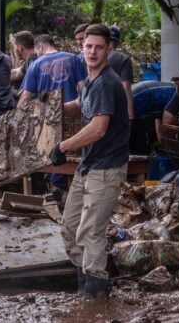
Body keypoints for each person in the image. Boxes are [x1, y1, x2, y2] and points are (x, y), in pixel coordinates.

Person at [48, 24, 130, 299]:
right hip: (88, 165)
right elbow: (79, 105)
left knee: (90, 231)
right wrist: (49, 107)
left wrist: (63, 146)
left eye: (98, 47)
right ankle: (85, 283)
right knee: (70, 227)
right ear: (81, 48)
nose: (92, 51)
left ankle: (96, 293)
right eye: (88, 46)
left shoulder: (107, 82)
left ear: (109, 49)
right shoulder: (91, 80)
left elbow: (98, 128)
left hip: (106, 169)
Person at [17, 34, 87, 199]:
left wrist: (16, 120)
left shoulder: (35, 65)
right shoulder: (74, 59)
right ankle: (71, 196)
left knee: (52, 158)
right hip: (75, 120)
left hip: (48, 124)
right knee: (73, 159)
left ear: (40, 47)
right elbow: (84, 90)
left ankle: (57, 194)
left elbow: (25, 98)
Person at [130, 71, 179, 154]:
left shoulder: (168, 89)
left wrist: (164, 145)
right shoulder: (175, 95)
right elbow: (167, 126)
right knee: (139, 150)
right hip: (130, 110)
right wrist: (173, 149)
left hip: (129, 107)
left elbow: (159, 122)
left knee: (135, 146)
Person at [107, 25, 135, 119]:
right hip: (116, 110)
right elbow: (126, 88)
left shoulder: (94, 57)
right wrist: (130, 115)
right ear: (118, 42)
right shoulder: (124, 59)